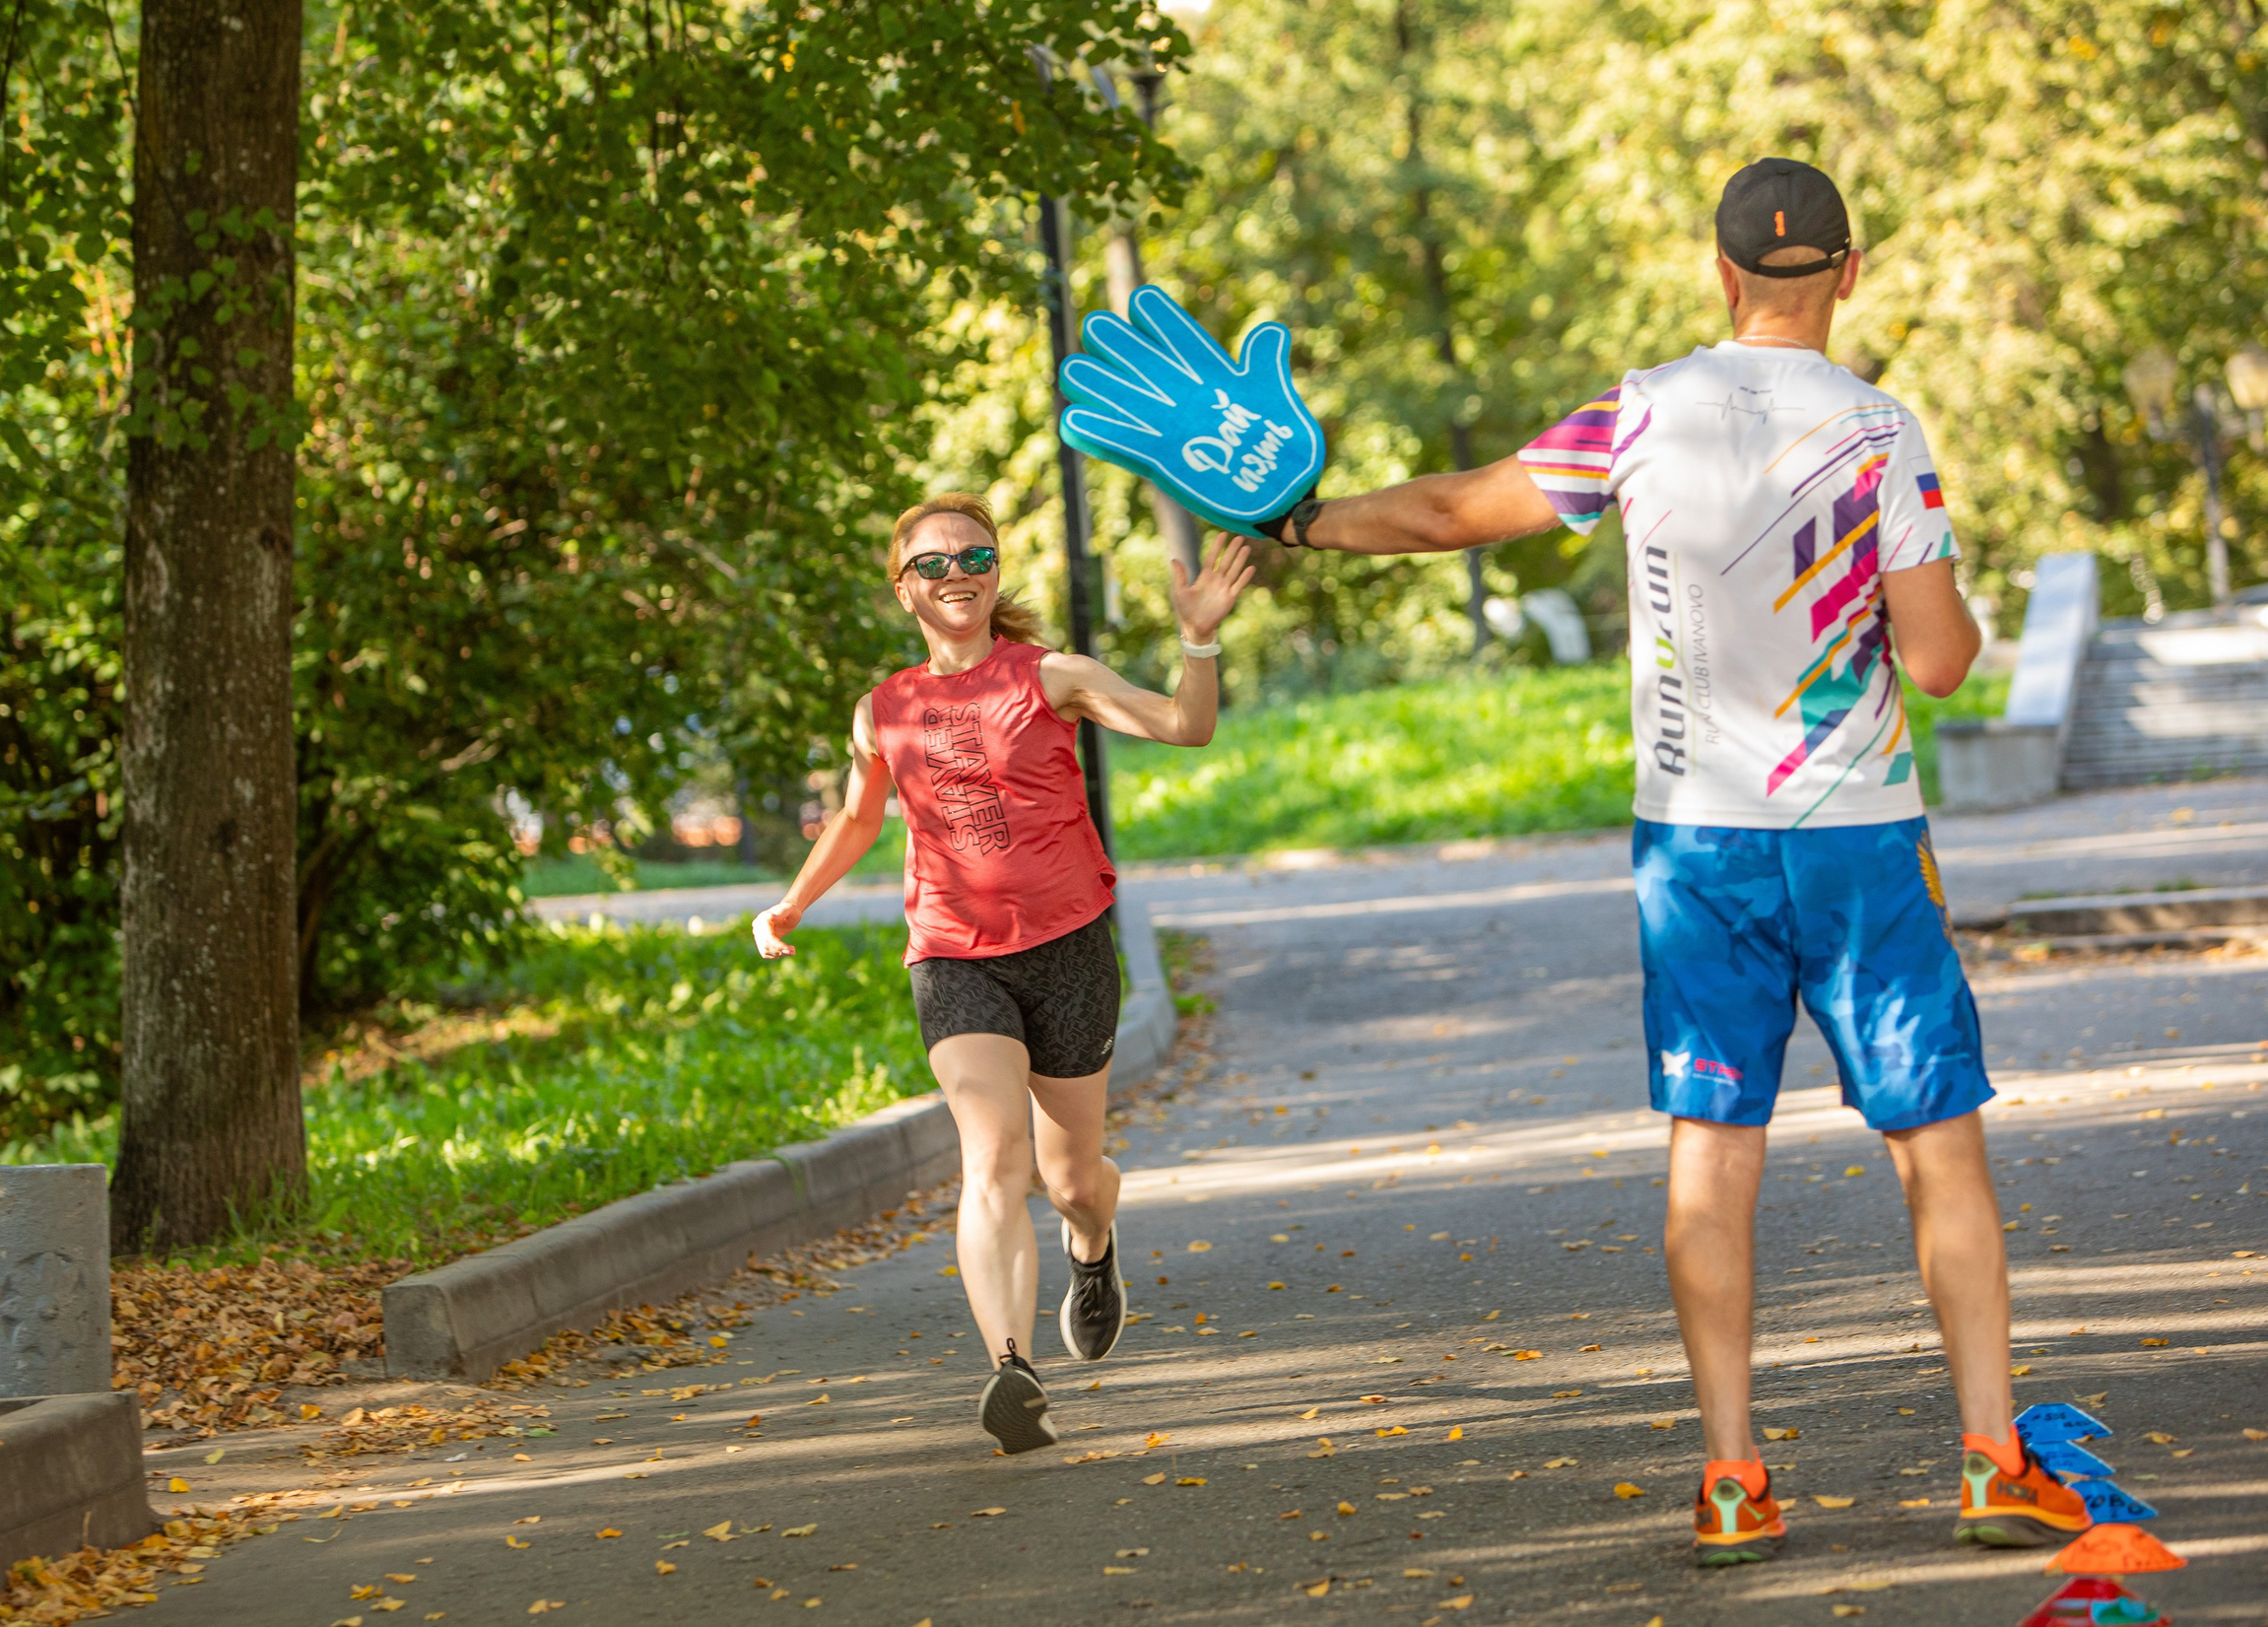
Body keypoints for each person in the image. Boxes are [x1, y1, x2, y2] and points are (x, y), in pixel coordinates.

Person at [1108, 160, 2089, 1562]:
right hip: (1861, 837)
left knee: (1712, 1147)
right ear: (1849, 274)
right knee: (1937, 1144)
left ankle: (1735, 1475)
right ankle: (1992, 1460)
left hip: (1698, 846)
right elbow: (1938, 658)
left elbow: (1452, 511)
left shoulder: (1642, 412)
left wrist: (1295, 520)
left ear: (1721, 271)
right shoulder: (1882, 428)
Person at [753, 493, 1254, 1454]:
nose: (956, 575)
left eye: (972, 557)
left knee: (1069, 1178)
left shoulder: (1052, 676)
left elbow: (1186, 729)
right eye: (932, 564)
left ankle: (1093, 1246)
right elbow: (861, 818)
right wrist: (793, 901)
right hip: (951, 955)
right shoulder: (882, 709)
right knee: (991, 1157)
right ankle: (1012, 1369)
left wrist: (1197, 646)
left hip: (1066, 949)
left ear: (994, 571)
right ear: (902, 589)